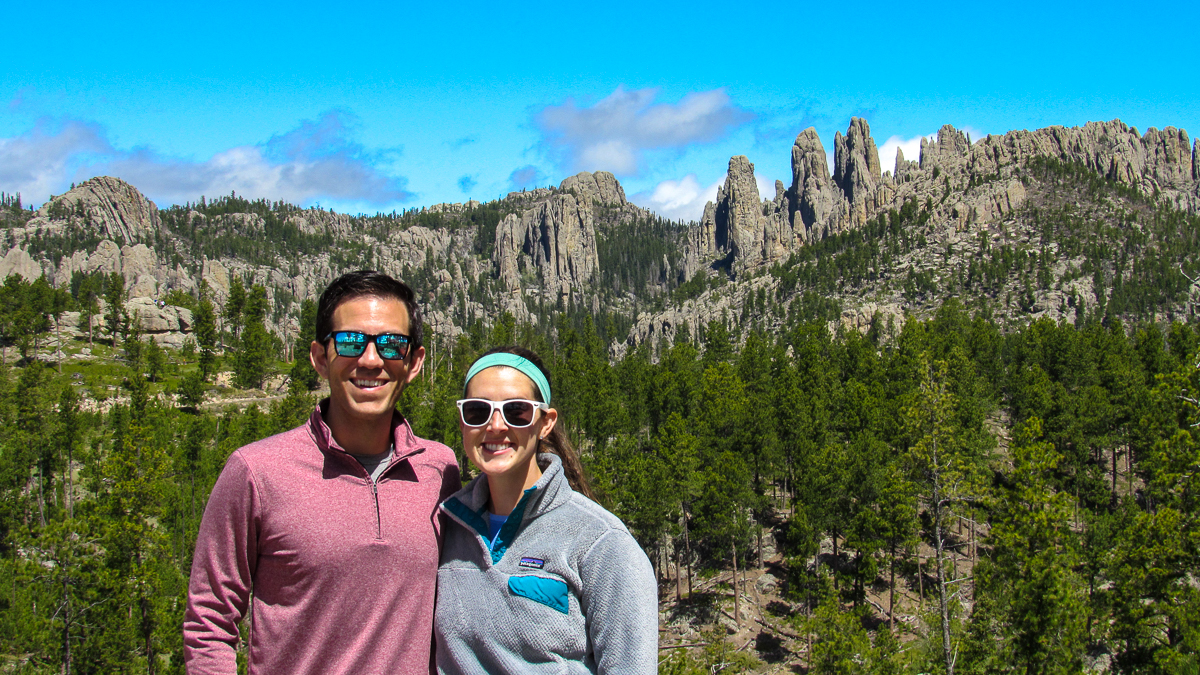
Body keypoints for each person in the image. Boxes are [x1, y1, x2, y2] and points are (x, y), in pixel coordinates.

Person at [184, 270, 460, 674]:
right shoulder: (256, 472)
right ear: (319, 357)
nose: (370, 359)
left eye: (391, 344)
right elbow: (210, 621)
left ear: (414, 362)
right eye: (350, 341)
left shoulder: (440, 470)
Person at [435, 347, 658, 674]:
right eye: (477, 410)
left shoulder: (602, 544)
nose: (495, 426)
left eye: (517, 411)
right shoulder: (445, 528)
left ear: (545, 423)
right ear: (462, 422)